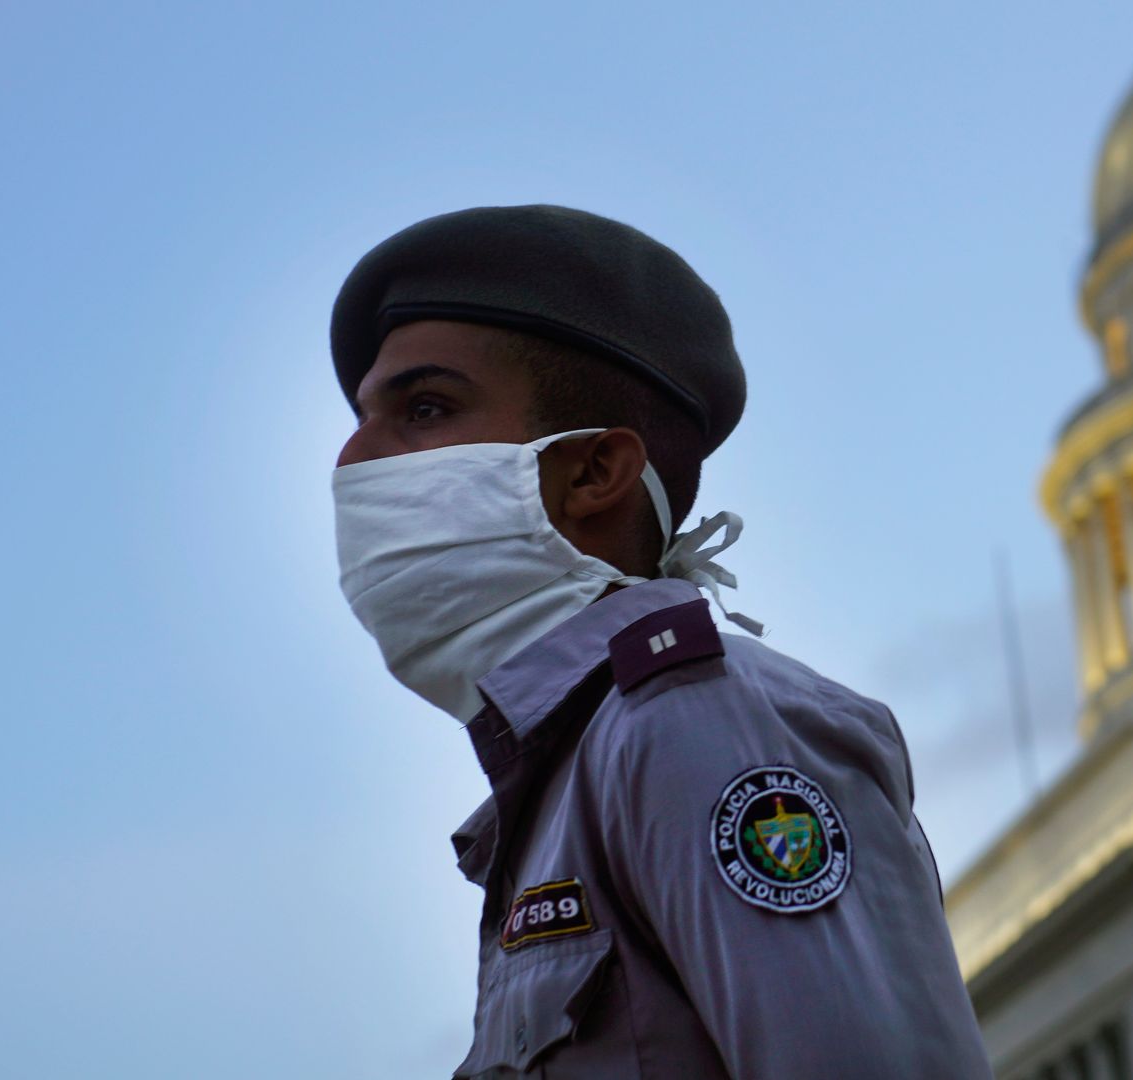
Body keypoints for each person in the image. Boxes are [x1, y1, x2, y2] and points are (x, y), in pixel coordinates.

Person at [327, 204, 994, 1078]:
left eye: (424, 407)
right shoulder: (566, 775)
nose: (354, 460)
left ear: (594, 471)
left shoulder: (691, 728)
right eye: (363, 417)